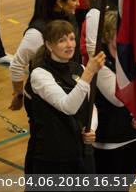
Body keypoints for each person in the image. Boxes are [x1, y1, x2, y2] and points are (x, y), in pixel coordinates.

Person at [24, 19, 105, 175]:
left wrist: (91, 128)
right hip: (51, 157)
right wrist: (89, 73)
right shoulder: (40, 74)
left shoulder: (78, 68)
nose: (69, 45)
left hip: (80, 152)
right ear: (49, 45)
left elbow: (90, 106)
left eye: (72, 39)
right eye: (62, 41)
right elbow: (68, 107)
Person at [92, 11, 136, 187]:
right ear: (107, 35)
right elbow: (119, 99)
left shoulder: (134, 55)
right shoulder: (100, 62)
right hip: (111, 140)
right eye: (119, 33)